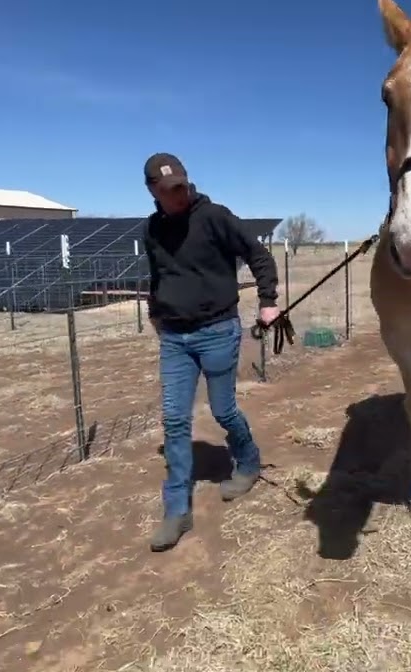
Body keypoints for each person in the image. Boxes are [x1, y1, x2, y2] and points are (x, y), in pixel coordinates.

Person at [141, 152, 281, 552]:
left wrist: (268, 301)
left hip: (217, 330)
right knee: (174, 420)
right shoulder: (152, 228)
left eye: (181, 186)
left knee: (223, 410)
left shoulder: (215, 217)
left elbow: (258, 255)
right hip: (174, 338)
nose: (178, 194)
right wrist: (156, 313)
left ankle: (248, 461)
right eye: (169, 190)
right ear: (153, 191)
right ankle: (177, 510)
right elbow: (158, 275)